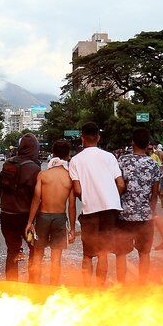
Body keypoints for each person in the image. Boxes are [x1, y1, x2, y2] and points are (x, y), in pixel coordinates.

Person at [69, 122, 124, 286]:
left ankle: (87, 290)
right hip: (111, 210)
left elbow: (77, 190)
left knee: (87, 254)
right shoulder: (110, 157)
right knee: (103, 253)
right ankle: (100, 290)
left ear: (82, 138)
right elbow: (120, 184)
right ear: (98, 138)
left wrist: (89, 197)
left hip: (91, 211)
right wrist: (112, 196)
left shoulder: (76, 160)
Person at [115, 128, 162, 284]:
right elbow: (155, 194)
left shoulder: (122, 161)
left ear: (132, 142)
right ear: (148, 144)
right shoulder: (154, 165)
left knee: (121, 254)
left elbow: (117, 186)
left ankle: (121, 285)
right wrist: (151, 212)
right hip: (145, 216)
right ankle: (142, 286)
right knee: (144, 253)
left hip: (124, 216)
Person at [26, 140, 76, 285]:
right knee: (56, 258)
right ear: (67, 156)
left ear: (53, 154)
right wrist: (72, 229)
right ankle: (53, 288)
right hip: (60, 218)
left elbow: (36, 200)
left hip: (43, 217)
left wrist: (30, 222)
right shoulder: (70, 177)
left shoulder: (43, 175)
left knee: (38, 254)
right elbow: (71, 206)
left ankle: (35, 286)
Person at [0, 134, 41, 281]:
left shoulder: (7, 164)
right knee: (34, 249)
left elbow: (2, 189)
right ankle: (33, 283)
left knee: (12, 250)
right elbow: (36, 197)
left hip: (6, 215)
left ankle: (11, 286)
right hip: (25, 218)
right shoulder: (34, 168)